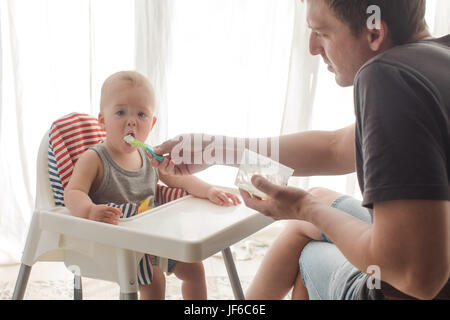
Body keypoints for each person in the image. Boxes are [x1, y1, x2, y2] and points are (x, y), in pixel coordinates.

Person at [151, 0, 450, 300]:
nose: (312, 47)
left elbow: (417, 276)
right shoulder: (435, 59)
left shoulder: (386, 77)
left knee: (309, 246)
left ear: (374, 33)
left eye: (322, 32)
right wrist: (215, 149)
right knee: (313, 207)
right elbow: (334, 149)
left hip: (409, 289)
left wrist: (305, 208)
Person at [64, 71, 241, 300]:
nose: (132, 121)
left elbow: (180, 178)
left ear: (152, 122)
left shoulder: (149, 155)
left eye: (141, 114)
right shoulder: (95, 158)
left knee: (195, 268)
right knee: (154, 280)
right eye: (120, 112)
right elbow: (73, 192)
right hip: (117, 243)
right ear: (102, 120)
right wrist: (88, 210)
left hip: (154, 237)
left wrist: (209, 190)